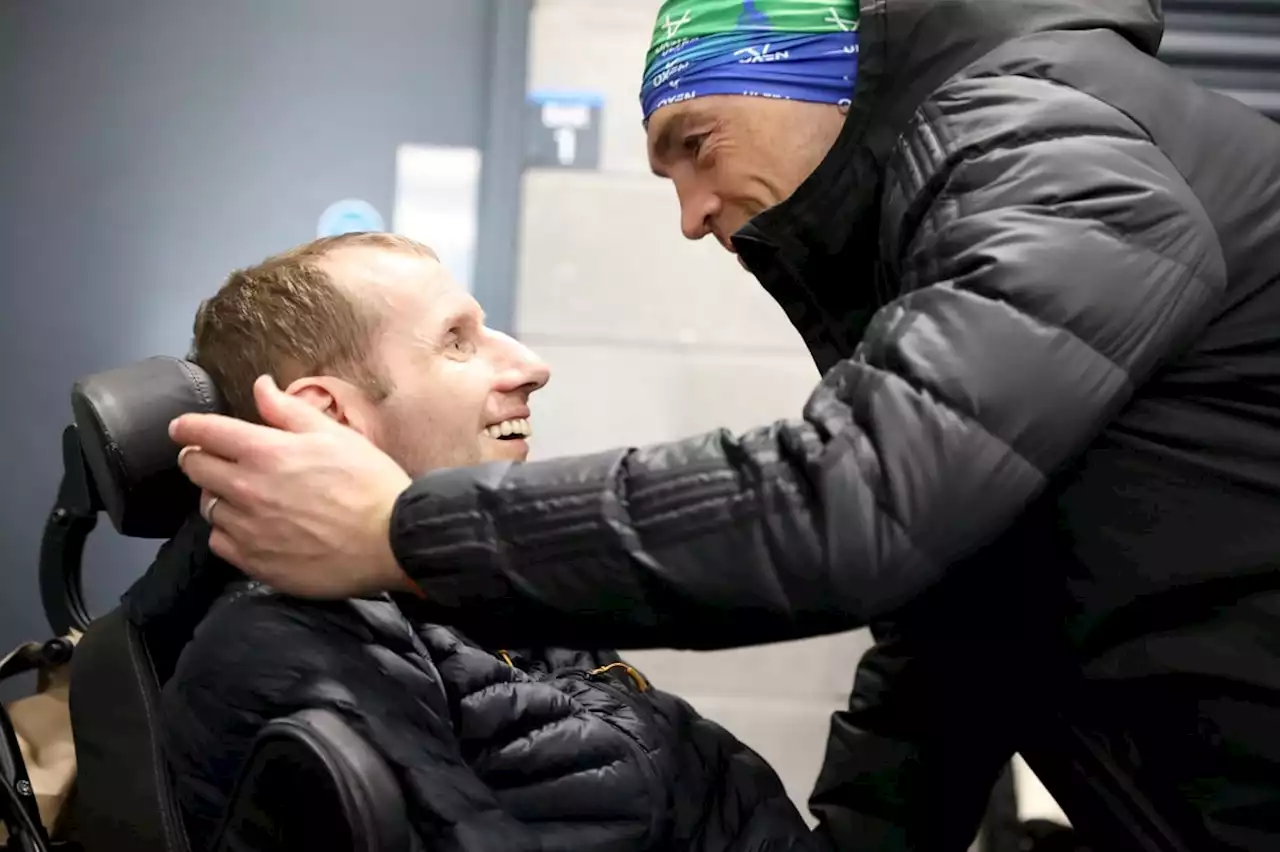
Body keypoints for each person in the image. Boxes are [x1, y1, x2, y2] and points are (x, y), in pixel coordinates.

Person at [168, 1, 1280, 850]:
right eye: (459, 341)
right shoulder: (289, 655)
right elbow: (951, 614)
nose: (692, 216)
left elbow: (851, 505)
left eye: (695, 143)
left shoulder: (1045, 153)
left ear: (801, 76)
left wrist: (408, 531)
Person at [127, 232, 818, 852]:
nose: (529, 366)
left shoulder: (471, 593)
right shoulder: (286, 642)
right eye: (457, 339)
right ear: (330, 417)